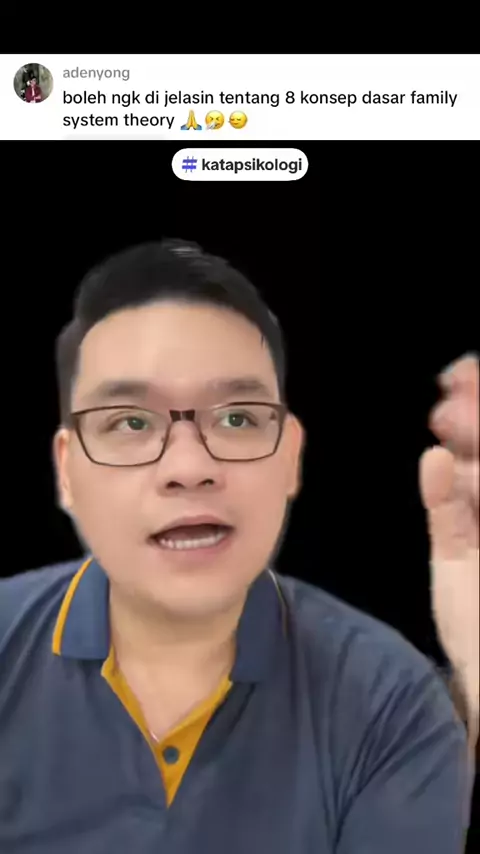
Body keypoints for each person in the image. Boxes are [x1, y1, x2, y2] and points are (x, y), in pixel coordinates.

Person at [0, 239, 477, 853]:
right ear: (67, 471)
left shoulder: (392, 701)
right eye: (131, 422)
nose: (189, 468)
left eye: (237, 419)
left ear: (291, 457)